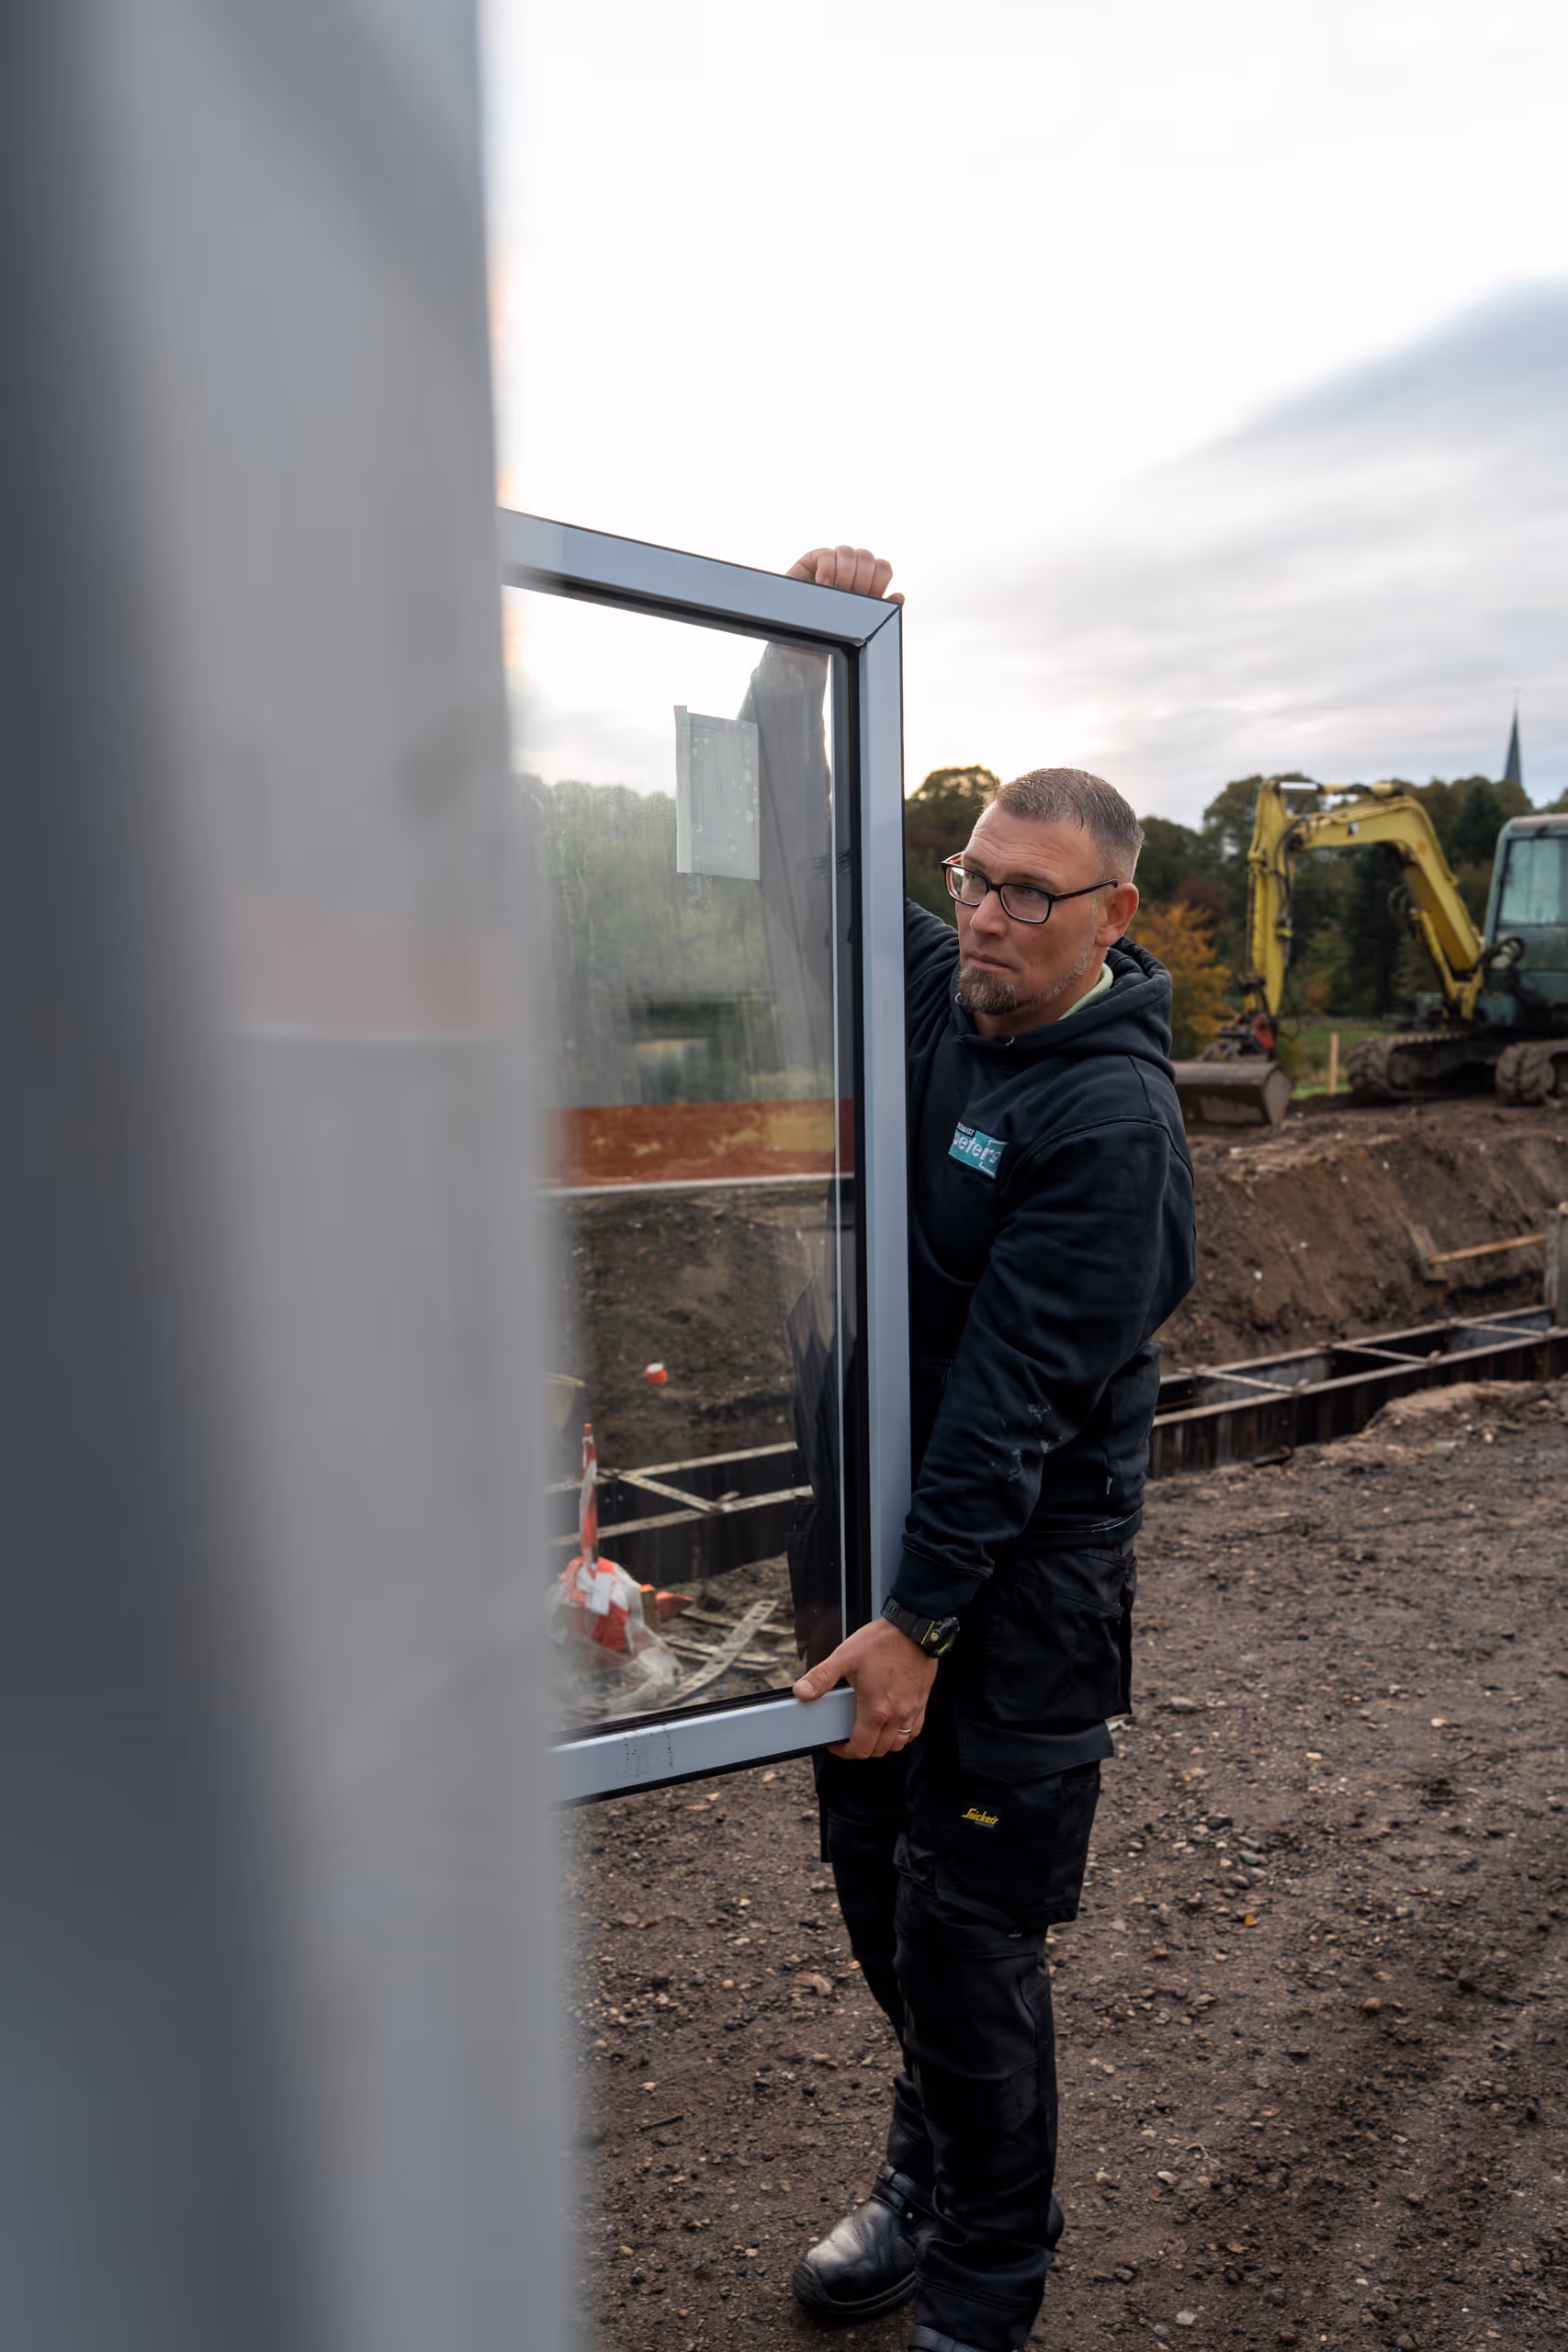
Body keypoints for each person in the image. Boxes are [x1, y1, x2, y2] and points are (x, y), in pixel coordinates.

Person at [780, 545, 1197, 2352]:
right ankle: (924, 2169)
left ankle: (982, 2284)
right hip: (897, 1574)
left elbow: (1017, 1400)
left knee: (968, 1940)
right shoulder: (949, 994)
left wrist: (921, 1621)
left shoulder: (1112, 1124)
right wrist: (804, 658)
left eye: (1035, 893)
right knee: (885, 1901)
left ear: (1117, 913)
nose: (996, 914)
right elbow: (828, 872)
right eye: (979, 880)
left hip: (1006, 1608)